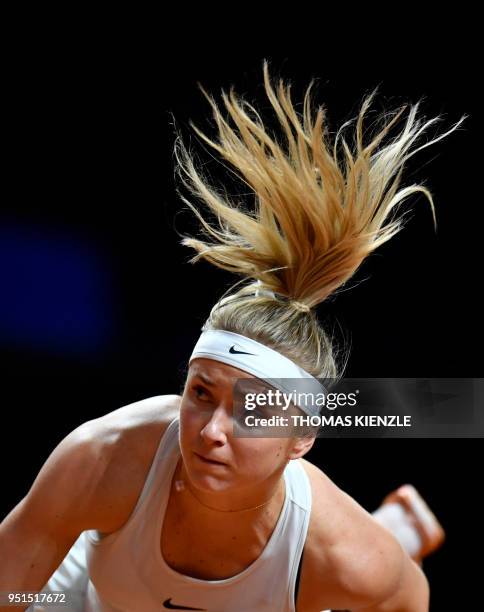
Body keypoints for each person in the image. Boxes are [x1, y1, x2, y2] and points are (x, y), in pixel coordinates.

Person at [0, 60, 463, 611]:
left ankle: (393, 530)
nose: (212, 432)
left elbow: (408, 600)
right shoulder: (105, 457)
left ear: (303, 439)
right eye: (201, 394)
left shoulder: (347, 556)